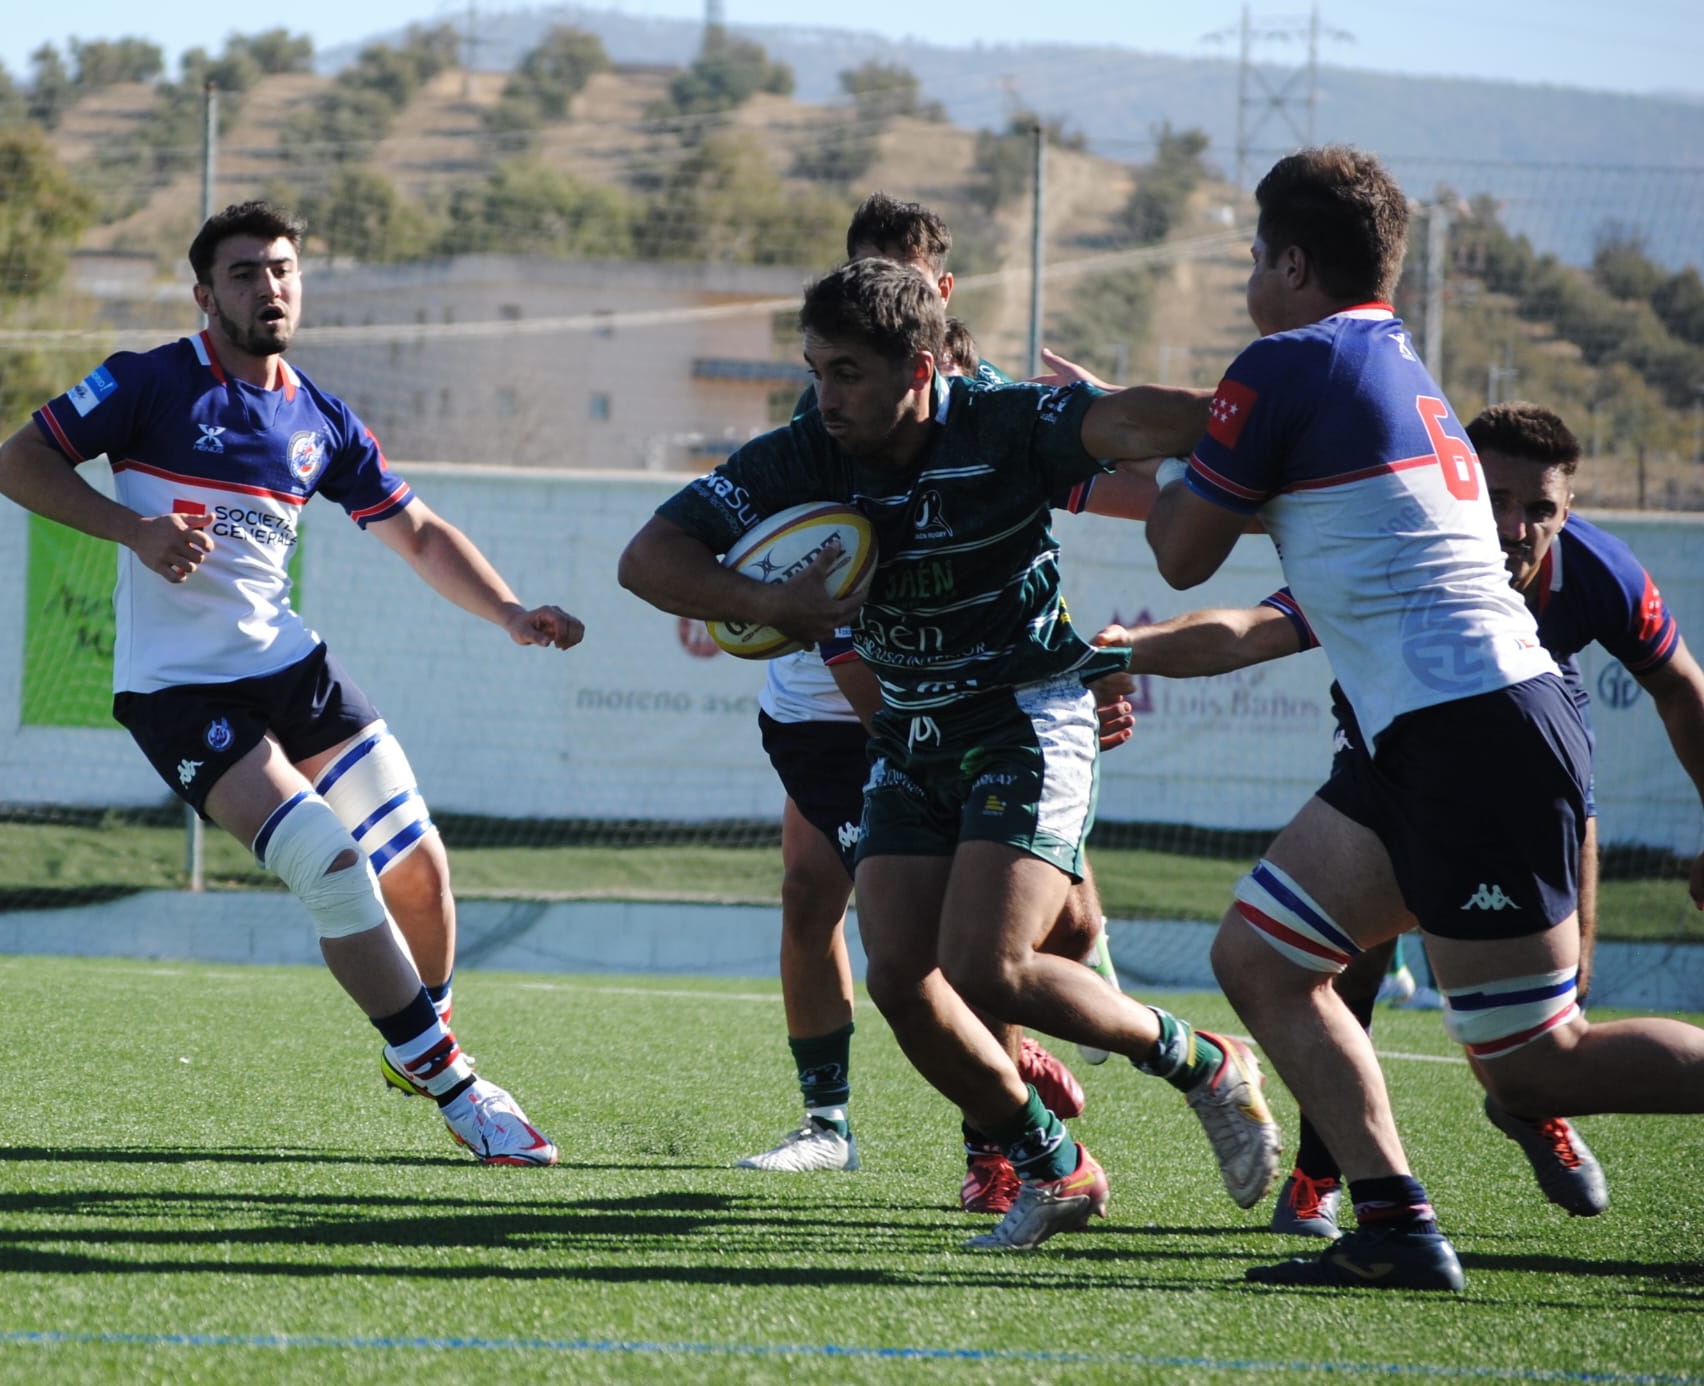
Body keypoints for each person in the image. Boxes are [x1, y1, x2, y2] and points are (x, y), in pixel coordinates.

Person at [619, 257, 1283, 1254]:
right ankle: (1054, 1171)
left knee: (991, 967)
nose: (823, 395)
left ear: (919, 367)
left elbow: (1150, 422)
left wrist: (1282, 397)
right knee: (898, 977)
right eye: (813, 369)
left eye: (845, 372)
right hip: (909, 731)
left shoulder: (1002, 422)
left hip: (1023, 712)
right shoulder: (805, 449)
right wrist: (770, 605)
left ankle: (1204, 1062)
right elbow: (647, 561)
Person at [1143, 146, 1704, 1291]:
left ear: (1292, 263)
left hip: (1471, 733)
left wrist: (1130, 434)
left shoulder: (1286, 361)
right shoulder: (1387, 360)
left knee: (1535, 1070)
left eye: (1254, 256)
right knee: (1257, 957)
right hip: (1432, 738)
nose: (1247, 277)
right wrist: (1120, 445)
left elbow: (1178, 548)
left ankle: (1391, 1218)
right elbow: (1255, 505)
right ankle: (1394, 1224)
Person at [0, 201, 580, 1166]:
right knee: (331, 863)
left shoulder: (319, 417)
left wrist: (511, 610)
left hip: (292, 669)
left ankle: (415, 1040)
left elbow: (419, 534)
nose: (270, 286)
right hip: (179, 690)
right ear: (205, 294)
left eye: (283, 269)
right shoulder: (148, 383)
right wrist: (134, 530)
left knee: (420, 867)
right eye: (246, 273)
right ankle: (457, 1088)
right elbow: (17, 464)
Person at [1101, 399, 1704, 1236]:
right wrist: (1121, 634)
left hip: (1519, 787)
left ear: (1567, 513)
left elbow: (1682, 686)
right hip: (1389, 774)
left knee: (1542, 1040)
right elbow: (1248, 623)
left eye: (1540, 511)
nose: (1514, 527)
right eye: (1493, 498)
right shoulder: (1405, 549)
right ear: (1455, 485)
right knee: (1308, 964)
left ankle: (1530, 1103)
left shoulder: (1599, 571)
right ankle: (1333, 1178)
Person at [738, 195, 1121, 1215]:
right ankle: (853, 1126)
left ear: (937, 299)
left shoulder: (990, 417)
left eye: (896, 285)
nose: (870, 306)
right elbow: (804, 584)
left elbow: (1120, 494)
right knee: (822, 897)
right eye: (857, 278)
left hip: (958, 706)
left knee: (1059, 929)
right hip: (833, 708)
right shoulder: (824, 419)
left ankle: (1004, 1077)